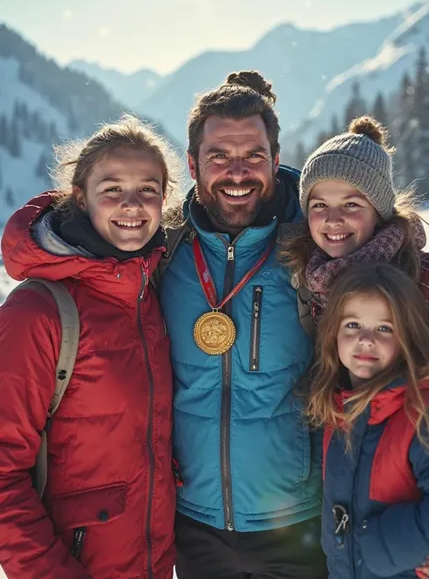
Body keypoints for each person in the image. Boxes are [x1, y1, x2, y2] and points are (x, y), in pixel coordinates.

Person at [280, 113, 429, 577]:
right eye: (319, 205)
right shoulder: (313, 287)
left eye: (352, 203)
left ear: (381, 208)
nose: (333, 220)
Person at [159, 71, 326, 579]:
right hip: (194, 525)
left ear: (276, 160)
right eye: (219, 157)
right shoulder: (161, 252)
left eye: (253, 155)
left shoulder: (316, 244)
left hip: (299, 523)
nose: (237, 172)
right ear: (192, 164)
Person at [0, 115, 180, 579]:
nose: (133, 205)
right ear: (81, 196)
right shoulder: (39, 311)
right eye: (113, 188)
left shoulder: (152, 295)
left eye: (148, 189)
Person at [308, 261, 429, 579]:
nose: (365, 340)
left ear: (409, 337)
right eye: (352, 325)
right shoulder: (339, 411)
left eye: (384, 328)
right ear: (333, 334)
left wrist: (373, 547)